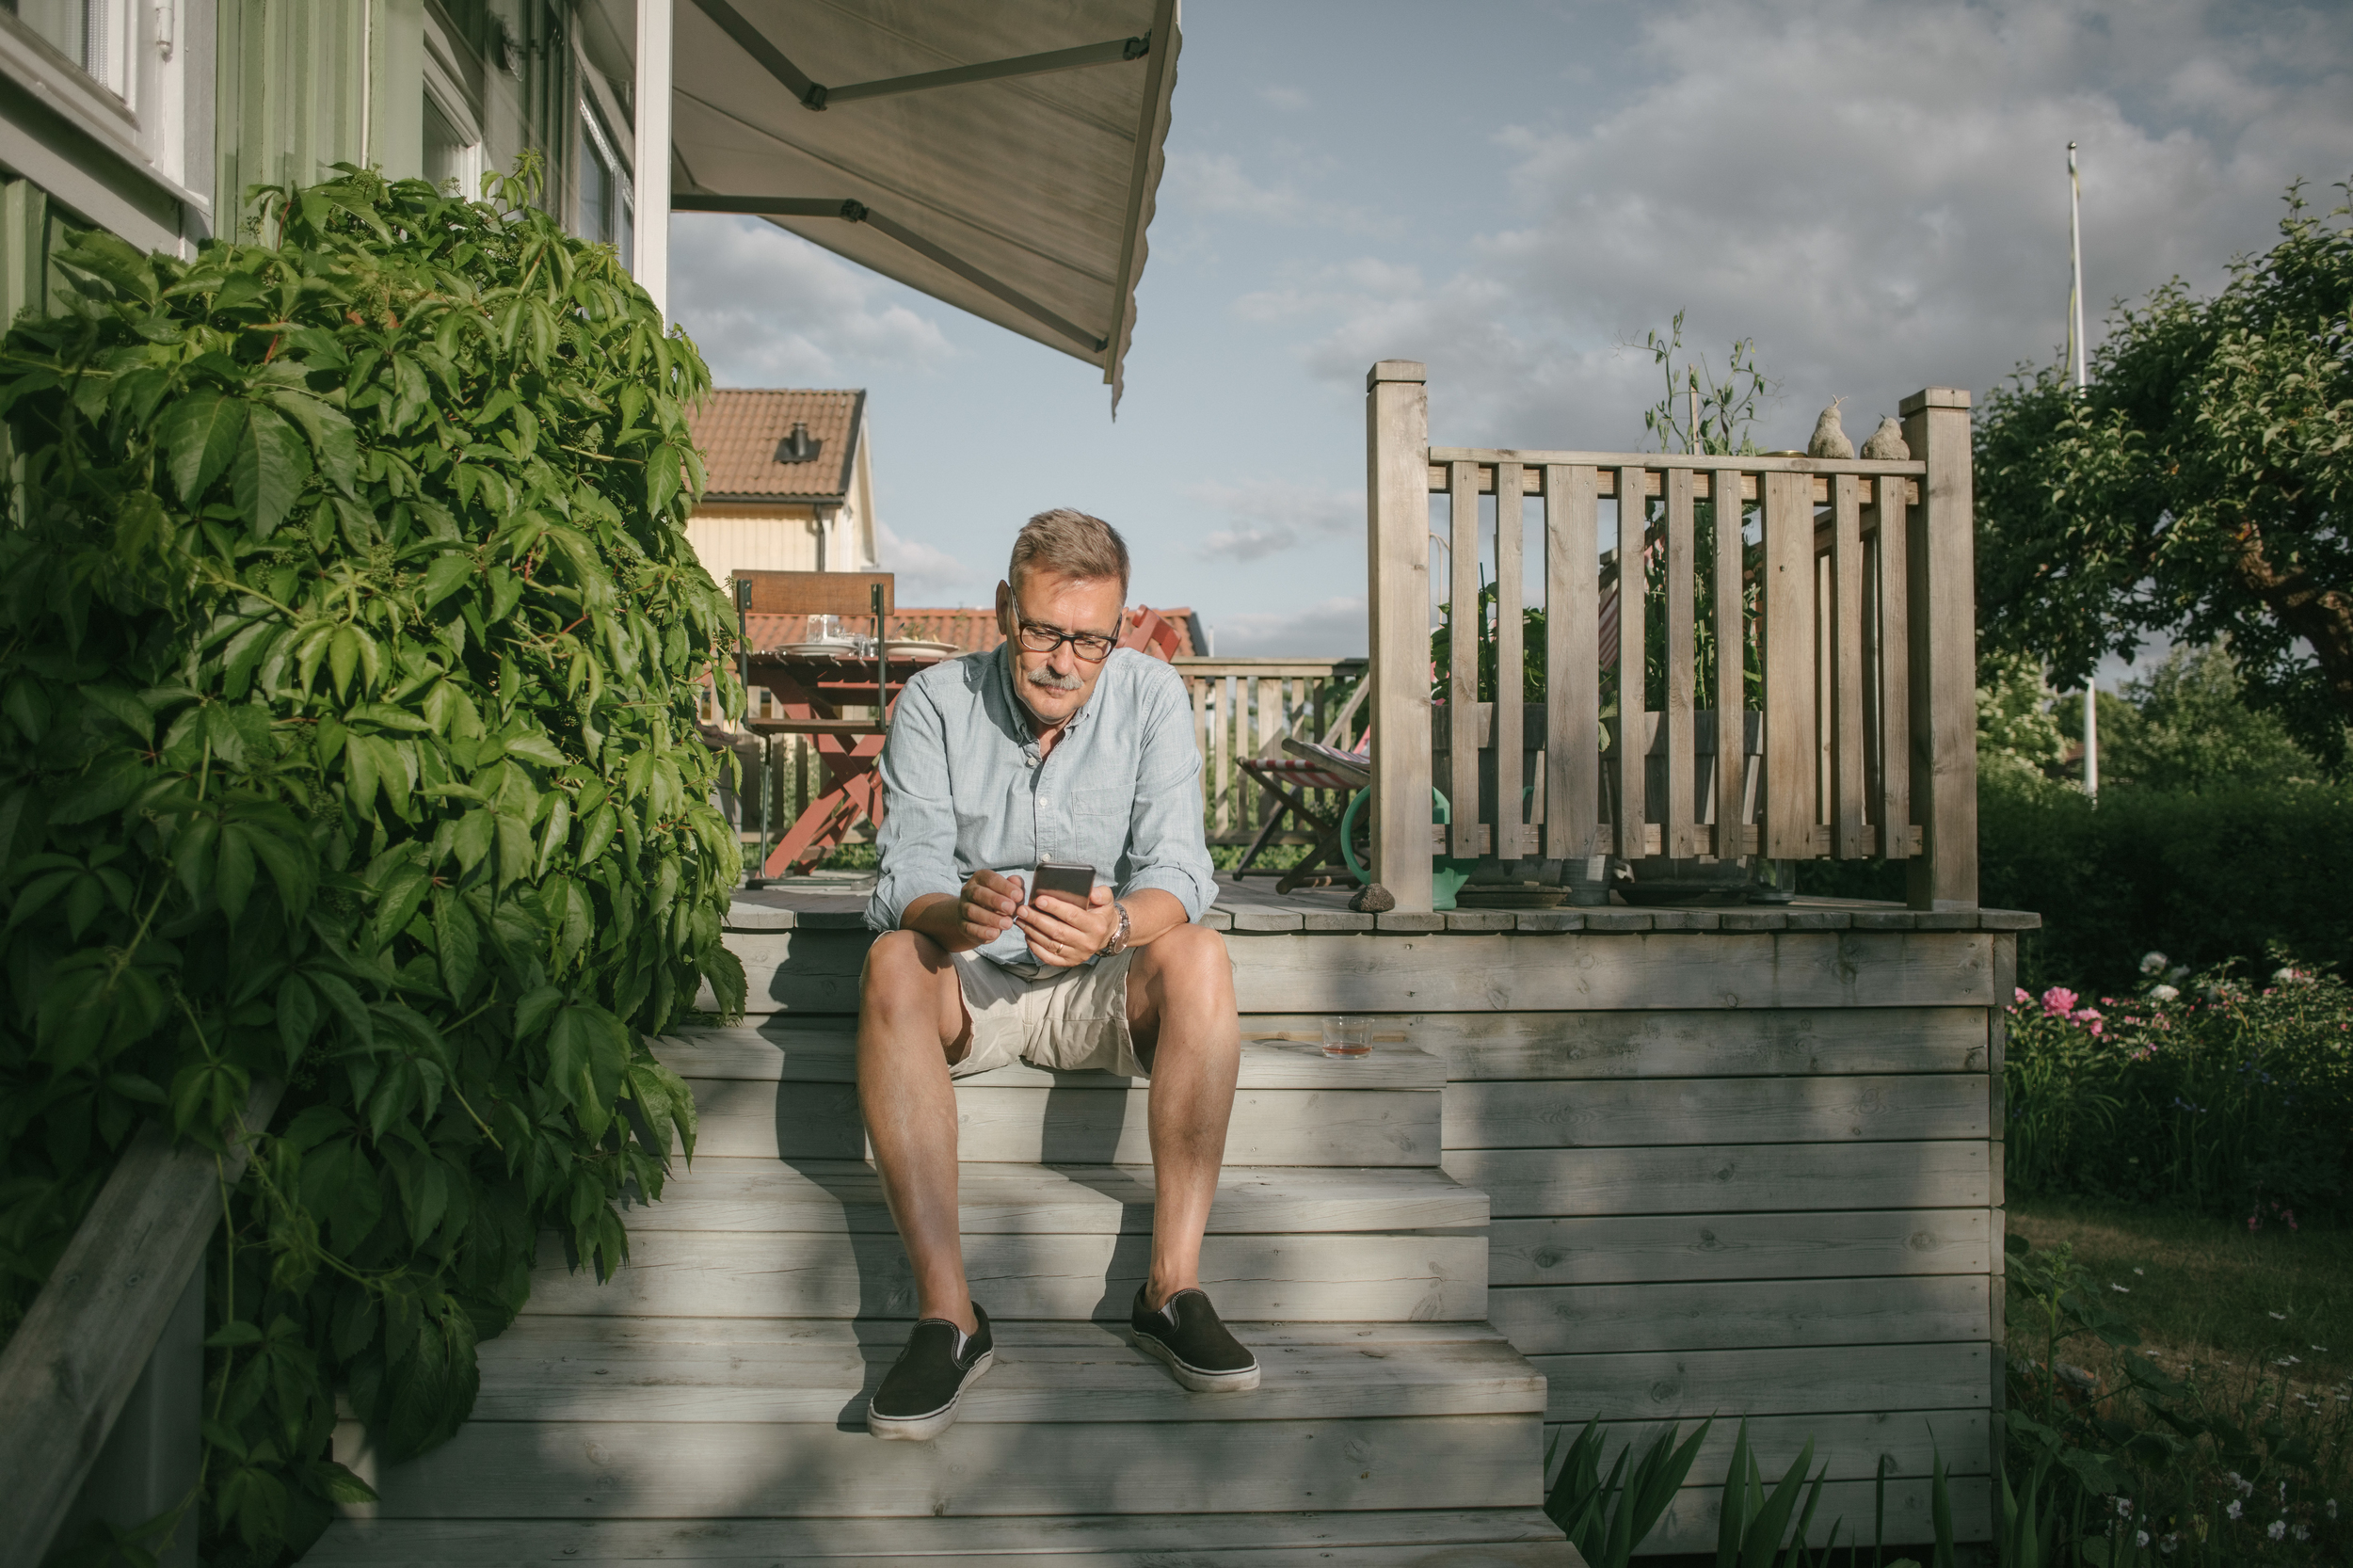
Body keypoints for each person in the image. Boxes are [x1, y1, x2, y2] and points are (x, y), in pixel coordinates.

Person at [856, 508, 1252, 1441]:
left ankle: (1170, 1290)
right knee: (891, 959)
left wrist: (1118, 924)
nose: (1064, 662)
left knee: (1200, 952)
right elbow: (906, 869)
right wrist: (950, 915)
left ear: (1119, 628)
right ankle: (950, 1317)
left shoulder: (1151, 696)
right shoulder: (935, 701)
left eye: (1090, 640)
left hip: (1100, 979)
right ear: (1005, 608)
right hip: (974, 977)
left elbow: (1180, 868)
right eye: (1043, 632)